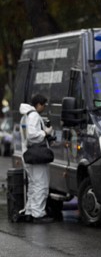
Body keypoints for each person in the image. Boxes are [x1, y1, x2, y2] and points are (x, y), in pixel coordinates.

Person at [20, 94, 54, 224]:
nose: (45, 107)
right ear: (38, 104)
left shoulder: (25, 116)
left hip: (28, 155)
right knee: (41, 185)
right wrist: (46, 133)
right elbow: (32, 135)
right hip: (37, 156)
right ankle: (38, 214)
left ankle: (30, 211)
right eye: (44, 105)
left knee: (33, 185)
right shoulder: (34, 115)